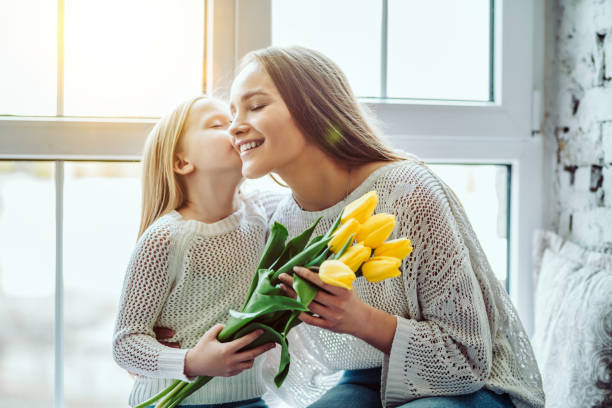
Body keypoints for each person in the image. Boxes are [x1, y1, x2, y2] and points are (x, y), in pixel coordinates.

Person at [226, 46, 545, 408]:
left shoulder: (409, 193)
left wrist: (363, 320)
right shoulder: (283, 222)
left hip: (475, 385)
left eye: (256, 106)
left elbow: (468, 360)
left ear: (312, 107)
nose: (234, 126)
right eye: (232, 111)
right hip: (368, 380)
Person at [112, 95, 279, 408]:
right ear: (182, 162)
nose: (237, 128)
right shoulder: (166, 239)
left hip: (249, 399)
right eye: (219, 124)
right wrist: (190, 362)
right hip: (171, 403)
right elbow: (125, 344)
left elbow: (311, 202)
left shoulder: (263, 211)